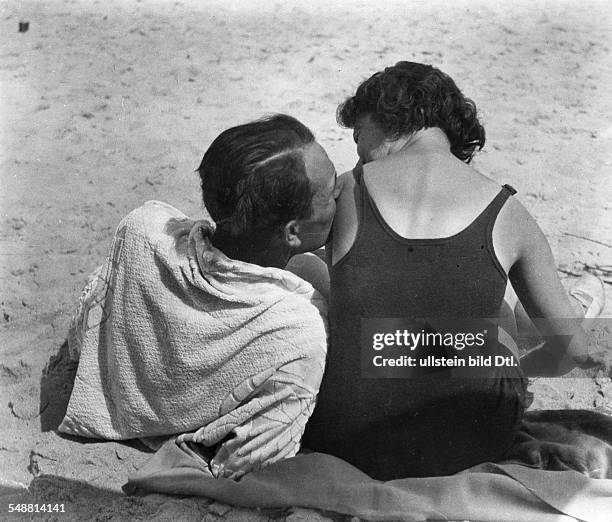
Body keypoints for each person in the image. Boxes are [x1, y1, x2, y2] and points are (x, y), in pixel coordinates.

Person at [302, 61, 604, 479]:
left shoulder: (350, 187)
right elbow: (570, 352)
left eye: (359, 136)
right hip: (468, 441)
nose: (358, 151)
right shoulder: (508, 211)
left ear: (389, 115)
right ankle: (549, 314)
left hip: (349, 437)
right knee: (490, 316)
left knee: (314, 270)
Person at [59, 114, 340, 478]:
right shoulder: (300, 328)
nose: (340, 193)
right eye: (331, 192)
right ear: (292, 232)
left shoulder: (144, 228)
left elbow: (86, 331)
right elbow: (255, 456)